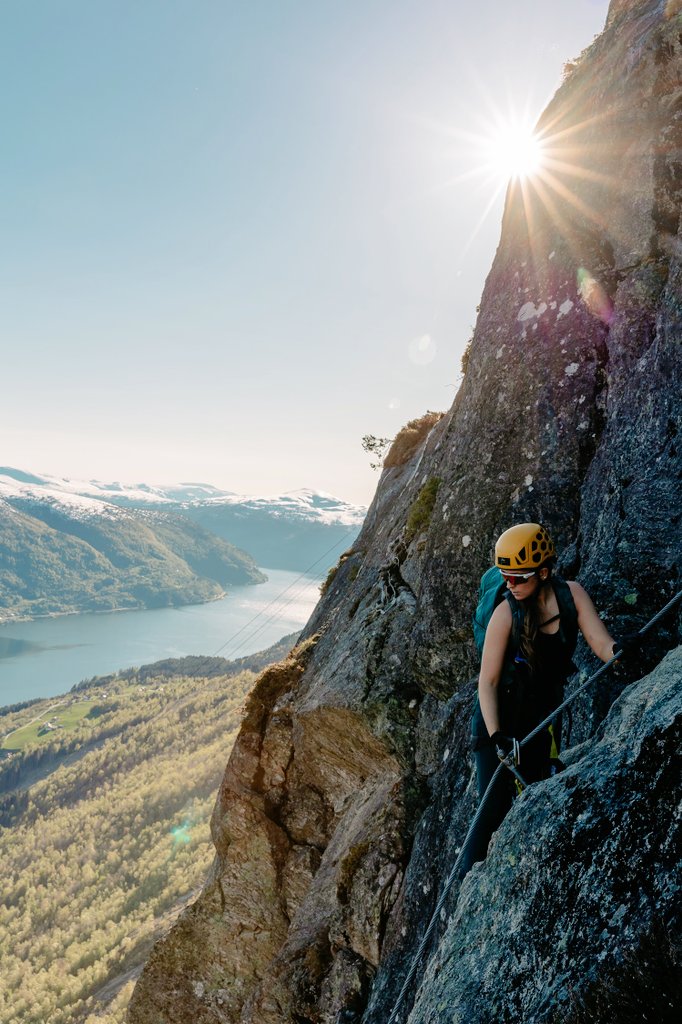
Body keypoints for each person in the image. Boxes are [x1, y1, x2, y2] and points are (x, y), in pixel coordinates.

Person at [460, 522, 617, 876]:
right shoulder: (505, 612)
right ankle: (468, 890)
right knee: (492, 810)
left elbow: (599, 641)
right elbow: (488, 682)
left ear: (544, 572)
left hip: (540, 719)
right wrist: (497, 735)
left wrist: (620, 650)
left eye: (519, 578)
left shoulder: (571, 595)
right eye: (506, 577)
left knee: (538, 792)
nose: (510, 585)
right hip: (497, 721)